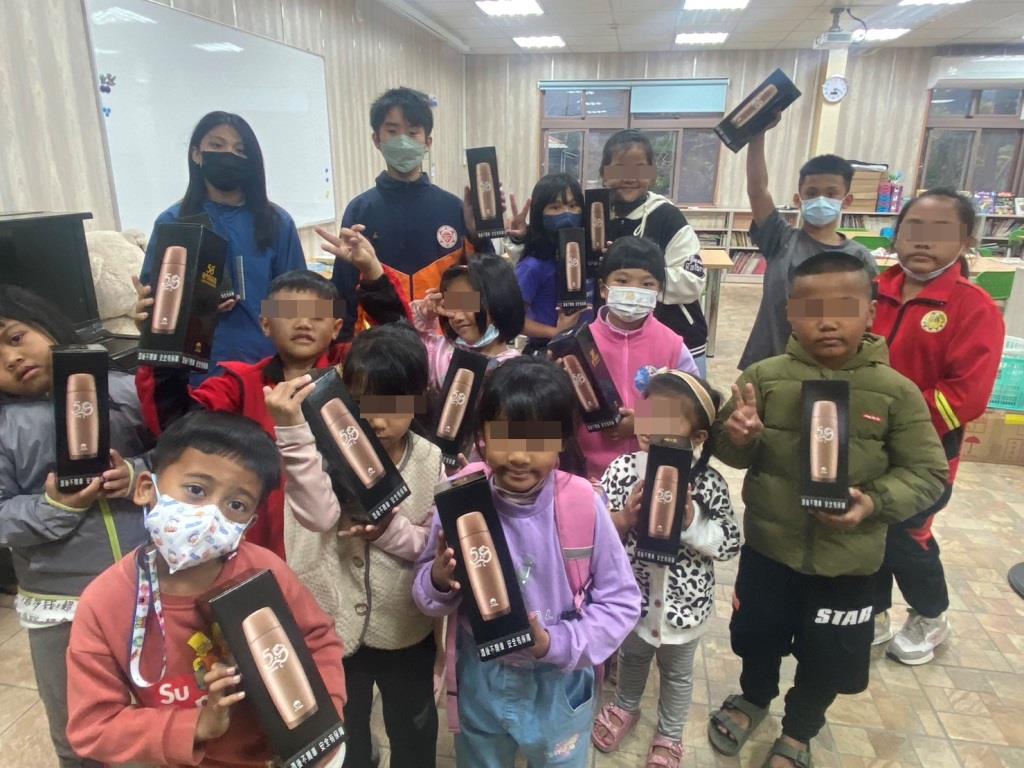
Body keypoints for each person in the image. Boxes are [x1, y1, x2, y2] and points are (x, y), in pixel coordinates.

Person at [706, 251, 948, 768]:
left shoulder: (896, 392)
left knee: (829, 656)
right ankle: (753, 698)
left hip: (850, 564)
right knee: (756, 638)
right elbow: (727, 450)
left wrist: (874, 503)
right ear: (789, 313)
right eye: (811, 309)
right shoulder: (763, 378)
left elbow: (928, 473)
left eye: (844, 307)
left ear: (871, 311)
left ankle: (800, 731)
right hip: (769, 552)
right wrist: (738, 436)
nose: (828, 322)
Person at [65, 411, 345, 767]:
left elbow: (318, 641)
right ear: (146, 488)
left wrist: (322, 721)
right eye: (196, 490)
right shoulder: (105, 602)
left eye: (236, 505)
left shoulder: (265, 571)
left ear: (249, 524)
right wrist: (197, 725)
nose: (211, 516)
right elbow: (93, 727)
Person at [413, 356, 640, 767]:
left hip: (558, 682)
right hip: (482, 676)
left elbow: (621, 603)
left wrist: (554, 643)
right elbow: (425, 594)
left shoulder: (583, 506)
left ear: (562, 442)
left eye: (537, 440)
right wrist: (440, 579)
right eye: (505, 437)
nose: (519, 456)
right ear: (482, 436)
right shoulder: (461, 498)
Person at [135, 227, 409, 558]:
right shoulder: (240, 384)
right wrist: (161, 341)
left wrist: (373, 273)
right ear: (265, 324)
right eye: (289, 314)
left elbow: (401, 350)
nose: (304, 324)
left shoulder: (354, 370)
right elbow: (176, 424)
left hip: (352, 540)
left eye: (317, 316)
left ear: (337, 327)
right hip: (268, 543)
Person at [267, 323, 444, 768]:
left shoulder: (430, 459)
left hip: (404, 626)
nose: (378, 420)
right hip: (331, 623)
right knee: (346, 739)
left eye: (393, 405)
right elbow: (319, 516)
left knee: (414, 730)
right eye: (364, 405)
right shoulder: (317, 453)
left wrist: (387, 532)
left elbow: (431, 546)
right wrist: (292, 432)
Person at [0, 285, 150, 768]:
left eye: (16, 337)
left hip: (152, 583)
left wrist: (136, 474)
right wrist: (52, 507)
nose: (11, 358)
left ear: (46, 325)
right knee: (79, 730)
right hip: (61, 603)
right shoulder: (4, 428)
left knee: (169, 707)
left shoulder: (124, 390)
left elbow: (182, 459)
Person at [871, 188, 1005, 665]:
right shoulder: (870, 290)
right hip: (862, 440)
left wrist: (892, 419)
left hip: (925, 450)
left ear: (966, 240)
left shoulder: (974, 307)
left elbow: (967, 395)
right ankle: (874, 610)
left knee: (906, 534)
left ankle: (931, 615)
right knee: (866, 523)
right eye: (913, 229)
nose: (923, 241)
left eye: (940, 231)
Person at [592, 370, 741, 768]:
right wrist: (624, 519)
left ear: (698, 437)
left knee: (677, 673)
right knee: (632, 658)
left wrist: (693, 523)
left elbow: (729, 542)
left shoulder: (708, 484)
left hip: (685, 606)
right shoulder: (623, 470)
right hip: (633, 599)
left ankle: (670, 733)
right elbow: (599, 532)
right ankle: (626, 706)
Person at [138, 111, 306, 375]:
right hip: (197, 372)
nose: (229, 155)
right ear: (197, 154)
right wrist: (152, 315)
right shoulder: (173, 222)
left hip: (265, 366)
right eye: (217, 145)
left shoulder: (276, 222)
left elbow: (299, 302)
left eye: (240, 150)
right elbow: (156, 306)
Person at [332, 87, 494, 340]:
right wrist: (342, 348)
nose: (403, 141)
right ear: (376, 139)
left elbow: (485, 287)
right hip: (382, 345)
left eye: (412, 132)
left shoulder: (454, 208)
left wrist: (479, 234)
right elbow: (343, 292)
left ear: (428, 142)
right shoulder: (360, 210)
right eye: (392, 131)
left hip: (448, 344)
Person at [739, 112, 876, 370]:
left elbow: (867, 317)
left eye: (831, 193)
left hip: (832, 367)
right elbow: (757, 191)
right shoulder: (780, 239)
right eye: (811, 193)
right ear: (798, 199)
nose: (820, 199)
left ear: (846, 200)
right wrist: (757, 136)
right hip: (772, 360)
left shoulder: (859, 258)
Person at [576, 237, 699, 480]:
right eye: (622, 281)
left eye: (647, 284)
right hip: (589, 474)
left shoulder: (673, 345)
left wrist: (643, 421)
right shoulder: (580, 344)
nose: (634, 291)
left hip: (652, 472)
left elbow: (694, 410)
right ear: (603, 288)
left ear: (659, 291)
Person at [599, 130, 708, 376]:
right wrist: (521, 239)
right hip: (616, 341)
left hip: (677, 342)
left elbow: (693, 281)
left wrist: (640, 282)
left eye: (639, 168)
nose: (630, 177)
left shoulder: (668, 217)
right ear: (604, 173)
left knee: (675, 401)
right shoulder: (596, 215)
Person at [411, 255, 524, 392]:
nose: (457, 317)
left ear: (499, 302)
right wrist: (425, 313)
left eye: (468, 304)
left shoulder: (516, 373)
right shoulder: (440, 352)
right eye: (452, 304)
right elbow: (404, 342)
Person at [504, 173, 590, 353]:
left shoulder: (588, 259)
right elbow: (512, 319)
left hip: (588, 351)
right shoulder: (532, 266)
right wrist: (556, 332)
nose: (566, 213)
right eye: (555, 207)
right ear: (539, 213)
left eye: (573, 206)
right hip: (547, 352)